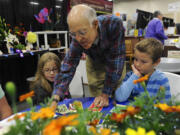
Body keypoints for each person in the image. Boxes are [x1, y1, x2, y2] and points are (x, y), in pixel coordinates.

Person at [51, 4, 126, 108]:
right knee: (98, 103)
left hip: (114, 59)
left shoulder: (113, 24)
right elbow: (68, 66)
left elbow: (116, 61)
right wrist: (55, 98)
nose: (78, 39)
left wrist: (105, 94)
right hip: (94, 62)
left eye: (82, 32)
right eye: (73, 34)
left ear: (95, 24)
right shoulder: (78, 37)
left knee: (120, 96)